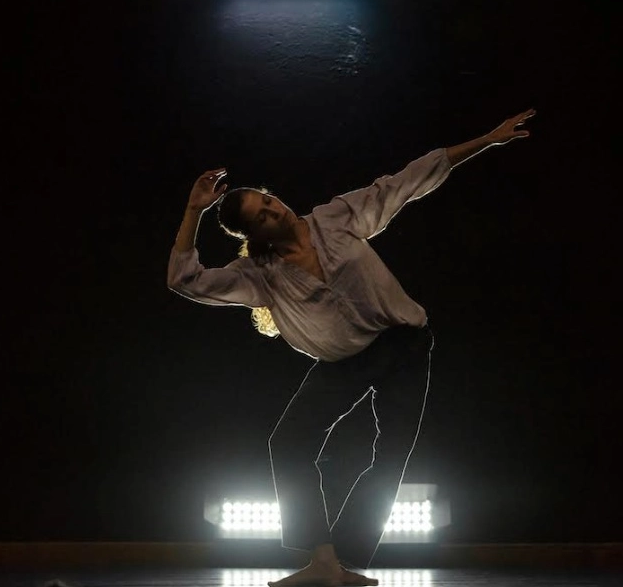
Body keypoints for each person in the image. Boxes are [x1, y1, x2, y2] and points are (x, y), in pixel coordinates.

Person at [167, 108, 535, 587]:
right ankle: (322, 560)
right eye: (262, 215)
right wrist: (194, 210)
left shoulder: (336, 219)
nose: (275, 209)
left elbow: (407, 181)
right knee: (289, 442)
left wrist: (486, 139)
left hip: (403, 344)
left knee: (392, 452)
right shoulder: (258, 277)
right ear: (253, 235)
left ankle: (347, 562)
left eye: (269, 199)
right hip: (343, 362)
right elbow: (184, 279)